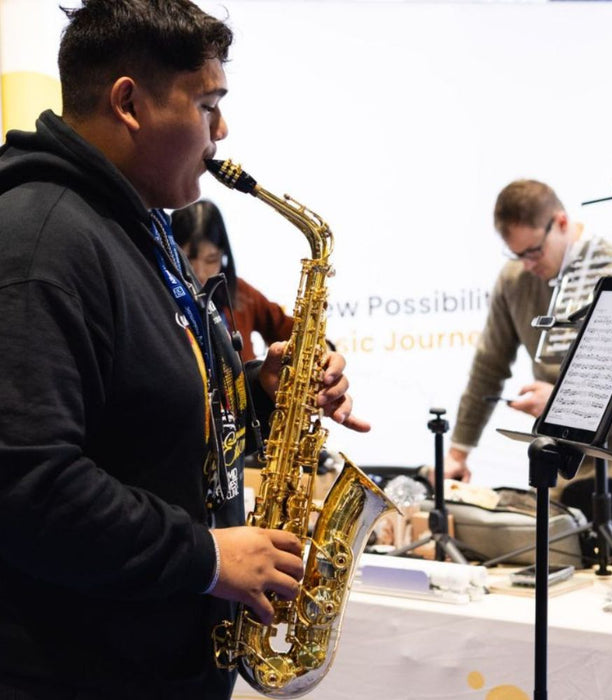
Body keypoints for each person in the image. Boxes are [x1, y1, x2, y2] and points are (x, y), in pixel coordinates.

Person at [0, 2, 368, 699]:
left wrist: (261, 392)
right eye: (208, 105)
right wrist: (205, 557)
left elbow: (145, 419)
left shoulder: (138, 226)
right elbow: (25, 484)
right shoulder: (40, 241)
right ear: (129, 103)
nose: (221, 131)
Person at [443, 179, 612, 495]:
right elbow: (488, 368)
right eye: (517, 254)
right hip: (558, 460)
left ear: (561, 222)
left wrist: (564, 402)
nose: (527, 265)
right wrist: (458, 452)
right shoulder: (514, 279)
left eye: (534, 251)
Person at [171, 199, 295, 362]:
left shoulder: (238, 290)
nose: (200, 272)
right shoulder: (160, 293)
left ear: (224, 254)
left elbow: (286, 329)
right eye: (188, 259)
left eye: (211, 259)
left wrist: (322, 350)